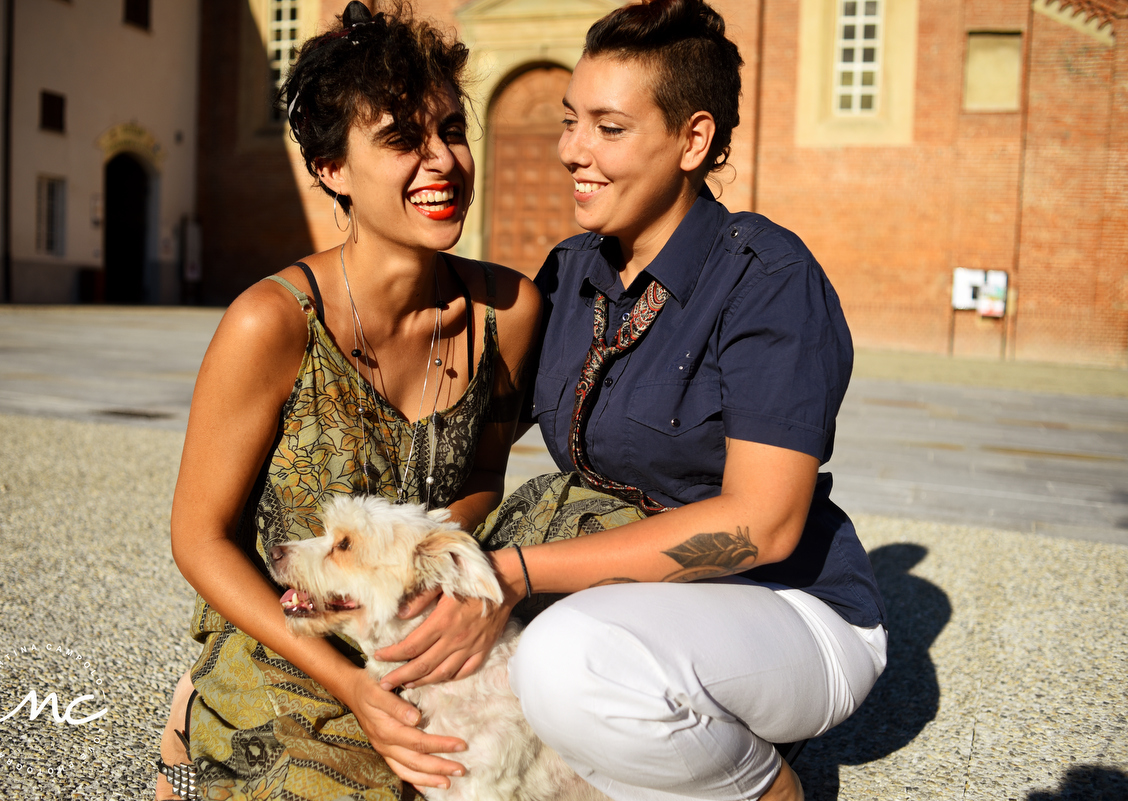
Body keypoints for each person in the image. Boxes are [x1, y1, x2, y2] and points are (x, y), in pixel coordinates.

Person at [373, 1, 888, 800]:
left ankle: (765, 786)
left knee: (565, 659)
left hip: (789, 606)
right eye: (571, 120)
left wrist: (512, 573)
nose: (572, 151)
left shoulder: (768, 279)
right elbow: (470, 435)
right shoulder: (573, 273)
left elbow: (766, 521)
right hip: (637, 607)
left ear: (694, 140)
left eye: (609, 129)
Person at [153, 3, 541, 798]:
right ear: (332, 170)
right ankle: (197, 704)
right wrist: (352, 681)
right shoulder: (271, 321)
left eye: (451, 132)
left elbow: (481, 480)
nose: (442, 162)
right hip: (291, 625)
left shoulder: (511, 311)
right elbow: (198, 536)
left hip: (406, 610)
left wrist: (436, 584)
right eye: (402, 140)